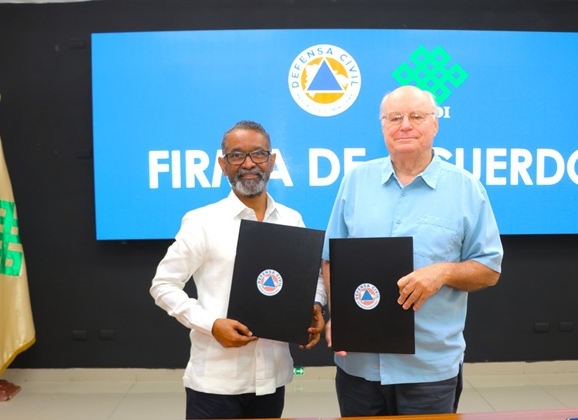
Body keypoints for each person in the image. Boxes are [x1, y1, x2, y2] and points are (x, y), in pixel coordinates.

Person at [321, 86, 503, 416]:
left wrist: (443, 272)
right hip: (359, 366)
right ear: (383, 126)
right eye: (394, 118)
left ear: (435, 124)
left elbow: (489, 269)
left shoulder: (465, 187)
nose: (405, 125)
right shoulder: (355, 181)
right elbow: (332, 258)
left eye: (416, 116)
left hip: (428, 369)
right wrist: (340, 317)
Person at [149, 120, 326, 419]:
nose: (248, 164)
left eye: (258, 154)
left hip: (273, 378)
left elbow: (312, 276)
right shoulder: (202, 222)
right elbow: (163, 285)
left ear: (272, 161)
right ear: (223, 165)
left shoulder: (291, 219)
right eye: (236, 155)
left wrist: (315, 304)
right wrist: (211, 324)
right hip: (216, 381)